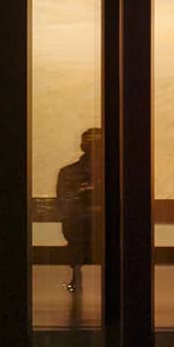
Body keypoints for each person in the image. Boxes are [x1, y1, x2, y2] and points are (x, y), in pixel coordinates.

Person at [56, 127, 102, 301]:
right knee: (77, 226)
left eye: (97, 143)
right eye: (89, 142)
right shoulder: (68, 172)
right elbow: (65, 204)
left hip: (104, 225)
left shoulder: (115, 173)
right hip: (79, 226)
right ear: (82, 146)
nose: (93, 146)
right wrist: (82, 196)